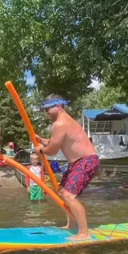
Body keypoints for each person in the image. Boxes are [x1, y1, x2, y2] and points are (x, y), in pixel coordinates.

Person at [35, 95, 100, 241]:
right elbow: (56, 142)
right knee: (63, 191)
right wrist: (42, 141)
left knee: (70, 196)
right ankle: (71, 224)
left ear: (58, 106)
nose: (46, 112)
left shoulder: (59, 124)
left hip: (85, 161)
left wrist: (40, 150)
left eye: (48, 108)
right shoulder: (65, 122)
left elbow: (51, 150)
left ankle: (84, 232)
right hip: (78, 162)